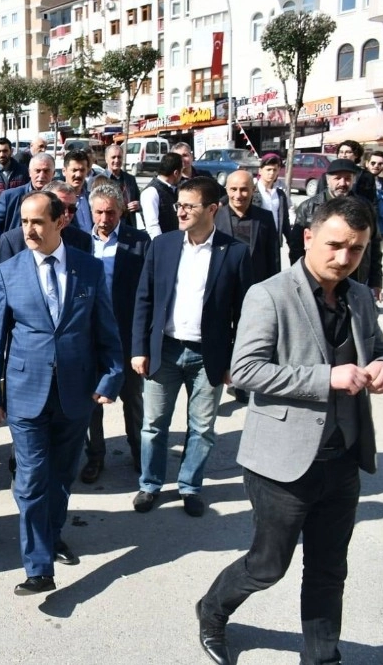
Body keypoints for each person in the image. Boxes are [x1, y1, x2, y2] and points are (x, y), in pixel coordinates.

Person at [196, 196, 383, 665]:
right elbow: (244, 370)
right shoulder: (269, 294)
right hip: (281, 463)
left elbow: (382, 347)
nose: (345, 258)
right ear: (308, 237)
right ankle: (212, 609)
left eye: (357, 249)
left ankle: (322, 657)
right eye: (336, 245)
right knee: (268, 566)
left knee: (329, 570)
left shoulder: (361, 296)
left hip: (343, 458)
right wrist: (326, 378)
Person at [0, 190, 123, 596]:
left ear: (60, 221)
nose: (28, 229)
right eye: (24, 221)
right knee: (30, 480)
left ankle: (51, 532)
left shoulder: (88, 270)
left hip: (76, 393)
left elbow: (105, 330)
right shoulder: (10, 271)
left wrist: (110, 377)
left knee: (61, 476)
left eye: (37, 221)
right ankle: (38, 567)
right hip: (26, 392)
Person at [130, 177, 252, 517]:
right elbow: (144, 299)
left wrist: (235, 361)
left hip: (208, 356)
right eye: (178, 205)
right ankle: (150, 484)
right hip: (164, 350)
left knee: (202, 428)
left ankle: (190, 486)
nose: (180, 212)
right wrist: (139, 347)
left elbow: (245, 314)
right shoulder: (163, 246)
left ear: (212, 209)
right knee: (154, 424)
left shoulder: (236, 253)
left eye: (189, 206)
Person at [80, 183, 151, 484]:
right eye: (99, 212)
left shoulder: (140, 242)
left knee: (133, 399)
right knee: (92, 403)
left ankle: (139, 453)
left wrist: (142, 344)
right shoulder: (81, 243)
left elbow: (149, 295)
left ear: (121, 211)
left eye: (110, 212)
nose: (104, 218)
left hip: (126, 337)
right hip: (91, 338)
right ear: (91, 212)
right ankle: (95, 456)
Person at [291, 159, 383, 301]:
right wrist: (299, 280)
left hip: (355, 277)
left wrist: (376, 281)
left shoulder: (365, 208)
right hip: (317, 279)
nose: (342, 183)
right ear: (328, 180)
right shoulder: (308, 207)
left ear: (353, 180)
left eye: (347, 179)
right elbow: (296, 248)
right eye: (337, 178)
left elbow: (375, 245)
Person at [214, 170, 280, 285]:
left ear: (253, 190)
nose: (238, 195)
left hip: (256, 285)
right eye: (233, 189)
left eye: (244, 189)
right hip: (223, 286)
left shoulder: (265, 218)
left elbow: (273, 257)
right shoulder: (214, 218)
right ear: (227, 190)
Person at [0, 153, 58, 248]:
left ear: (53, 173)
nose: (41, 175)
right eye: (37, 171)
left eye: (46, 171)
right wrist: (3, 245)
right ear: (29, 172)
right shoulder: (10, 197)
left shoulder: (59, 199)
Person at [139, 152, 184, 238]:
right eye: (182, 171)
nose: (182, 175)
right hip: (164, 245)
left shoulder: (174, 189)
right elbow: (153, 227)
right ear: (176, 173)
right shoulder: (151, 192)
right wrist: (161, 248)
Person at [252, 152, 290, 248]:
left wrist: (291, 242)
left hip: (274, 241)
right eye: (268, 169)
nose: (272, 173)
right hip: (256, 239)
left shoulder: (280, 195)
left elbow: (285, 221)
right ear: (260, 171)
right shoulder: (252, 191)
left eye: (274, 170)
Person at [102, 144, 142, 227]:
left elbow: (139, 199)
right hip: (109, 226)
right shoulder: (98, 180)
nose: (116, 160)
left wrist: (138, 205)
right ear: (106, 159)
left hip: (129, 226)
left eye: (119, 157)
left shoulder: (130, 179)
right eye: (113, 157)